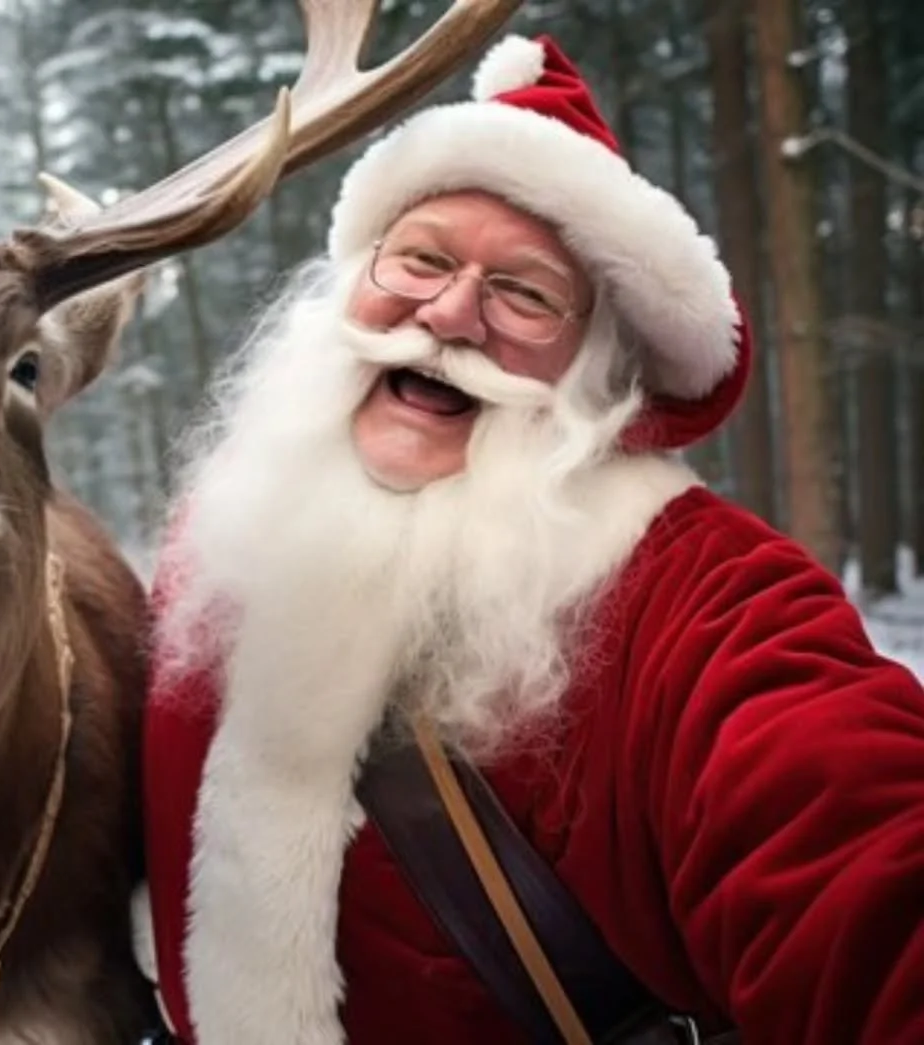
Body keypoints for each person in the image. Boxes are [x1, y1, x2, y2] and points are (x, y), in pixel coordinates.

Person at [133, 33, 924, 1045]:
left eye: (526, 292)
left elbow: (852, 857)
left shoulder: (707, 594)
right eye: (420, 257)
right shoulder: (227, 533)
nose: (452, 313)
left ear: (597, 371)